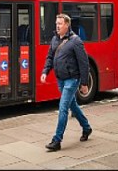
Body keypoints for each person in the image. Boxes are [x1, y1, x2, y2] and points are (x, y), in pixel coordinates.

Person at [40, 13, 92, 152]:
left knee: (63, 108)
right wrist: (45, 71)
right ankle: (87, 128)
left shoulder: (75, 41)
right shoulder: (54, 39)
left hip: (72, 79)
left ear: (67, 25)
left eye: (60, 24)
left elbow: (84, 63)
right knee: (72, 105)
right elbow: (50, 57)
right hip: (60, 79)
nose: (57, 26)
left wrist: (84, 83)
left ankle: (57, 140)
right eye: (56, 23)